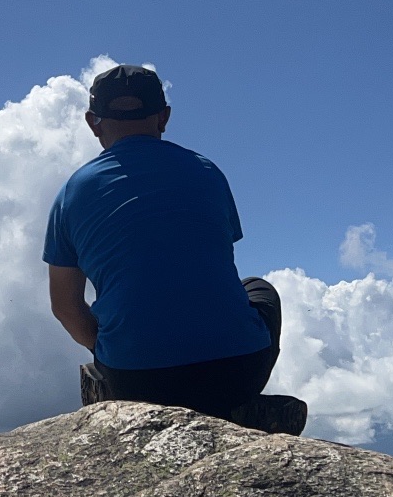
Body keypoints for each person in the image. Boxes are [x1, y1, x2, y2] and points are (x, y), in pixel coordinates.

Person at [43, 64, 306, 433]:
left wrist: (110, 350)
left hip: (136, 383)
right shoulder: (206, 171)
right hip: (237, 373)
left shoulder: (72, 192)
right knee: (259, 289)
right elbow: (201, 263)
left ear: (93, 122)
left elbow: (65, 306)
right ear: (163, 117)